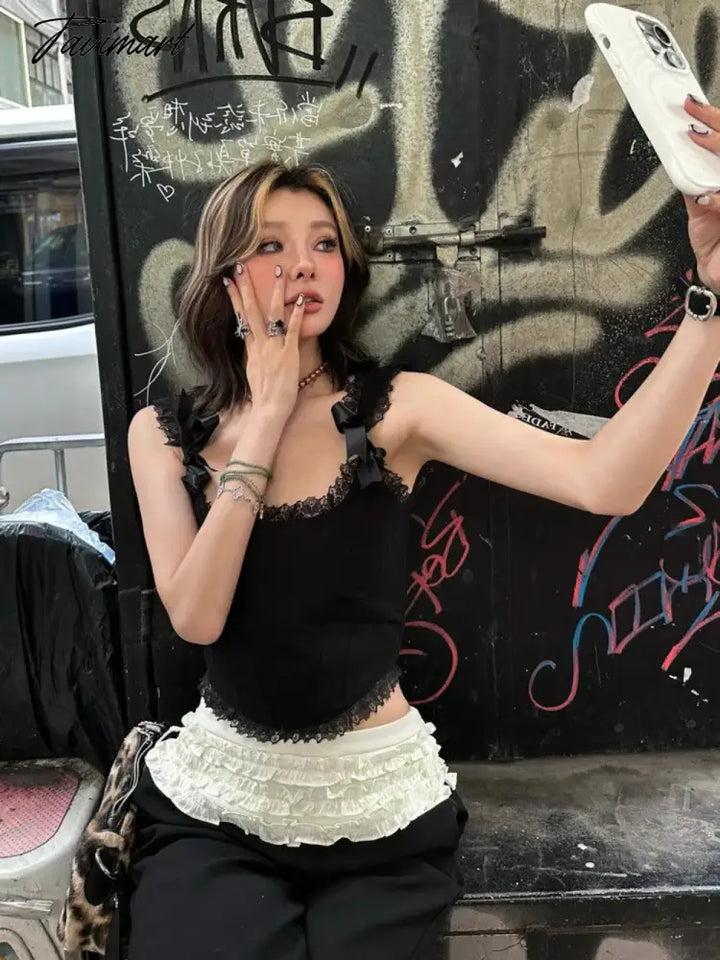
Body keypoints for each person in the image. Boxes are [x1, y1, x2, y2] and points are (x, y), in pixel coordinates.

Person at [126, 97, 720, 960]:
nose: (304, 265)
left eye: (324, 244)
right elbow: (198, 615)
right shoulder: (165, 434)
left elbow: (607, 481)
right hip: (220, 807)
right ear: (225, 274)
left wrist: (711, 304)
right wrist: (266, 416)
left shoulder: (396, 409)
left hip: (378, 812)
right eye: (271, 245)